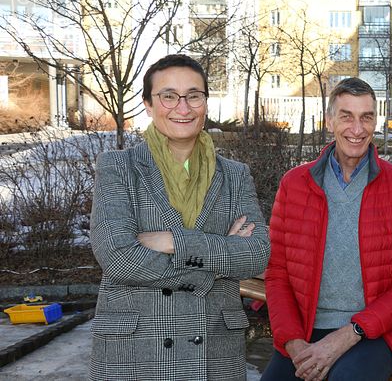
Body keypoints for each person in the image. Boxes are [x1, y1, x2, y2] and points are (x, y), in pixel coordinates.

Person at [88, 54, 270, 381]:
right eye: (169, 96)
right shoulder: (118, 167)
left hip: (214, 347)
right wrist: (212, 267)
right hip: (136, 349)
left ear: (205, 102)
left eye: (194, 96)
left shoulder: (235, 175)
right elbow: (117, 257)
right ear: (148, 103)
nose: (183, 108)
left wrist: (175, 241)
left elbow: (256, 256)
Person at [261, 77, 392, 381]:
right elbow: (277, 272)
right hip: (306, 326)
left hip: (376, 333)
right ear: (329, 121)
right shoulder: (295, 184)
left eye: (366, 117)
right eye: (346, 116)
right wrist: (293, 342)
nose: (357, 128)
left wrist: (349, 334)